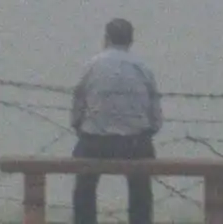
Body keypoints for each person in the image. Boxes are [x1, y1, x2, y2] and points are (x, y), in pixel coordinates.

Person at [68, 17, 162, 224]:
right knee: (140, 188)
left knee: (84, 186)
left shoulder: (92, 66)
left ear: (106, 39)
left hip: (96, 143)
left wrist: (80, 128)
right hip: (134, 144)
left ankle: (84, 220)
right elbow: (155, 118)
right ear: (131, 41)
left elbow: (77, 109)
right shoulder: (143, 68)